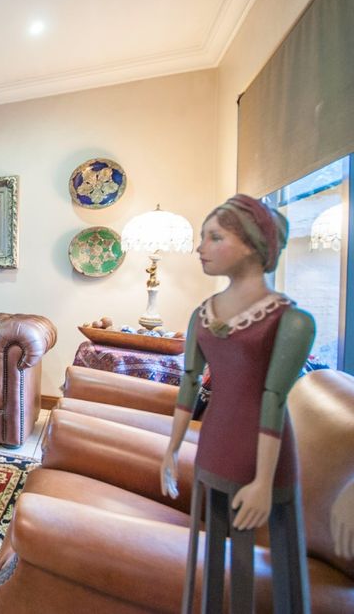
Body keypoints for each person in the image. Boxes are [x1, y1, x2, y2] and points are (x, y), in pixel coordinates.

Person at [160, 194, 315, 613]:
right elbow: (189, 382)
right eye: (203, 237)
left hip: (265, 454)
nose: (200, 248)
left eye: (214, 237)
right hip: (213, 444)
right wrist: (172, 449)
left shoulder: (291, 321)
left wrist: (264, 480)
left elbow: (273, 399)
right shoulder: (203, 315)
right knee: (209, 551)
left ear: (251, 244)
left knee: (278, 558)